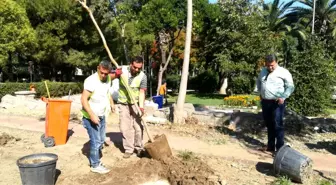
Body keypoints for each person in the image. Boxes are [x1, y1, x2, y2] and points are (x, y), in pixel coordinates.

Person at [81, 60, 115, 174]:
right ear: (98, 68)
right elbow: (83, 99)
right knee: (95, 142)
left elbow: (107, 92)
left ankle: (96, 159)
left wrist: (111, 103)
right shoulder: (91, 81)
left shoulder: (108, 78)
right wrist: (92, 115)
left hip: (102, 115)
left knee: (100, 140)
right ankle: (94, 165)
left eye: (106, 73)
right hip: (90, 117)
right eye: (102, 73)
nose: (104, 75)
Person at [256, 54, 294, 154]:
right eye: (268, 65)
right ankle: (270, 146)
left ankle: (280, 149)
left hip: (277, 102)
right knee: (269, 124)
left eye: (272, 65)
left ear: (276, 62)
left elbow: (290, 86)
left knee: (278, 124)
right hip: (265, 102)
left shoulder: (283, 72)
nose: (270, 67)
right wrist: (260, 93)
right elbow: (259, 82)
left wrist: (283, 96)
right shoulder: (263, 71)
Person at [113, 56, 147, 159]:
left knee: (138, 126)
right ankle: (129, 149)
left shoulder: (142, 76)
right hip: (123, 103)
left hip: (135, 103)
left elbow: (142, 92)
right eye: (135, 67)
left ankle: (139, 147)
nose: (137, 70)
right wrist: (116, 74)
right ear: (130, 64)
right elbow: (108, 77)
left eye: (139, 68)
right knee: (124, 127)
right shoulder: (121, 70)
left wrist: (141, 107)